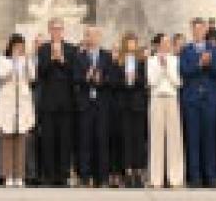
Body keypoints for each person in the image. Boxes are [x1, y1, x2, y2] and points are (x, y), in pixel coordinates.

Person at [180, 17, 216, 188]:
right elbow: (183, 70)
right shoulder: (186, 50)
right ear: (192, 31)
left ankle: (211, 176)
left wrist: (210, 63)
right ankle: (195, 176)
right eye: (195, 29)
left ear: (205, 30)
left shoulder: (214, 50)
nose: (198, 32)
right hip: (192, 100)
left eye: (201, 29)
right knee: (193, 139)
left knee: (210, 138)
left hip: (210, 99)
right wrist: (199, 63)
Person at [36, 17, 77, 187]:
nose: (57, 32)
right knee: (48, 140)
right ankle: (49, 175)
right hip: (48, 103)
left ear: (63, 31)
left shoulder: (71, 49)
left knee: (64, 140)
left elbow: (74, 73)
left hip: (66, 102)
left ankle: (63, 175)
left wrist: (62, 61)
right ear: (49, 31)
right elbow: (41, 73)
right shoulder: (44, 49)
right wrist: (52, 59)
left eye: (59, 29)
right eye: (54, 29)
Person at [74, 25, 114, 187]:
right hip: (85, 104)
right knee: (85, 141)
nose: (93, 38)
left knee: (102, 141)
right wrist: (86, 77)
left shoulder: (107, 56)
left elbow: (112, 78)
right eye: (90, 35)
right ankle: (85, 177)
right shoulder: (79, 56)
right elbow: (75, 78)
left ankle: (102, 178)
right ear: (86, 37)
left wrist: (101, 80)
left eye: (96, 35)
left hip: (102, 104)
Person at [0, 33, 36, 187]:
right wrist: (13, 62)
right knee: (7, 139)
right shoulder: (3, 60)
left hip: (22, 103)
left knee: (20, 139)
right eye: (17, 46)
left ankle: (19, 175)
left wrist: (26, 62)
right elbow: (2, 75)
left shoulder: (27, 61)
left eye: (22, 46)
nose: (19, 49)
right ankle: (8, 175)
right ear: (11, 47)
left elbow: (32, 77)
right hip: (7, 103)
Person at [146, 33, 183, 189]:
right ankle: (156, 179)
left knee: (174, 139)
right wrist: (161, 67)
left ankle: (175, 178)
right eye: (164, 42)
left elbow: (177, 82)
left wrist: (167, 67)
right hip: (156, 98)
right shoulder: (151, 60)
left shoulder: (175, 60)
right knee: (156, 139)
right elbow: (152, 81)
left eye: (169, 42)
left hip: (171, 98)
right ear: (158, 44)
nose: (167, 44)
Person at [112, 31, 148, 189]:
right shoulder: (118, 61)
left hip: (138, 105)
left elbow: (146, 80)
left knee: (138, 139)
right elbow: (113, 82)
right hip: (124, 105)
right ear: (125, 43)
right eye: (129, 41)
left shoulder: (142, 61)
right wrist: (125, 80)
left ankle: (138, 171)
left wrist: (135, 79)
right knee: (126, 139)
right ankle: (127, 172)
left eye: (134, 41)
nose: (132, 44)